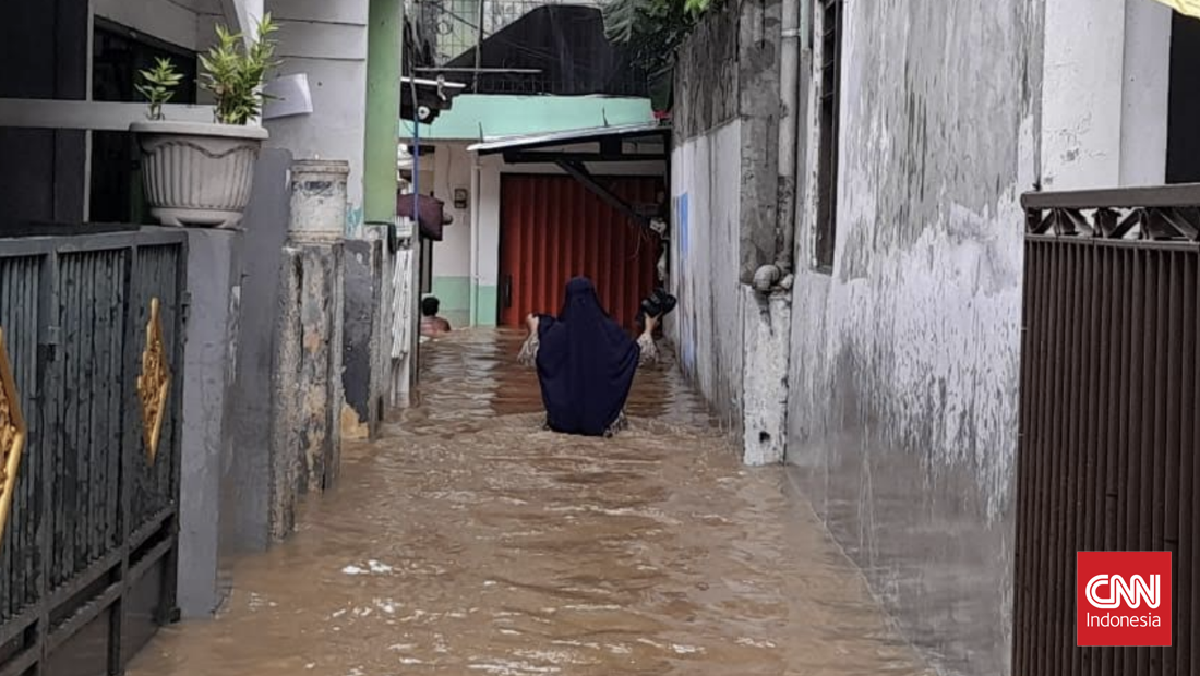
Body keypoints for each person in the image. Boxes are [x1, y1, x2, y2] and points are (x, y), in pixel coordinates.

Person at [517, 277, 659, 437]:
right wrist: (648, 328)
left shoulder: (554, 334)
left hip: (560, 424)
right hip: (604, 424)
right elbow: (640, 354)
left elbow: (530, 354)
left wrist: (534, 330)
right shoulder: (611, 334)